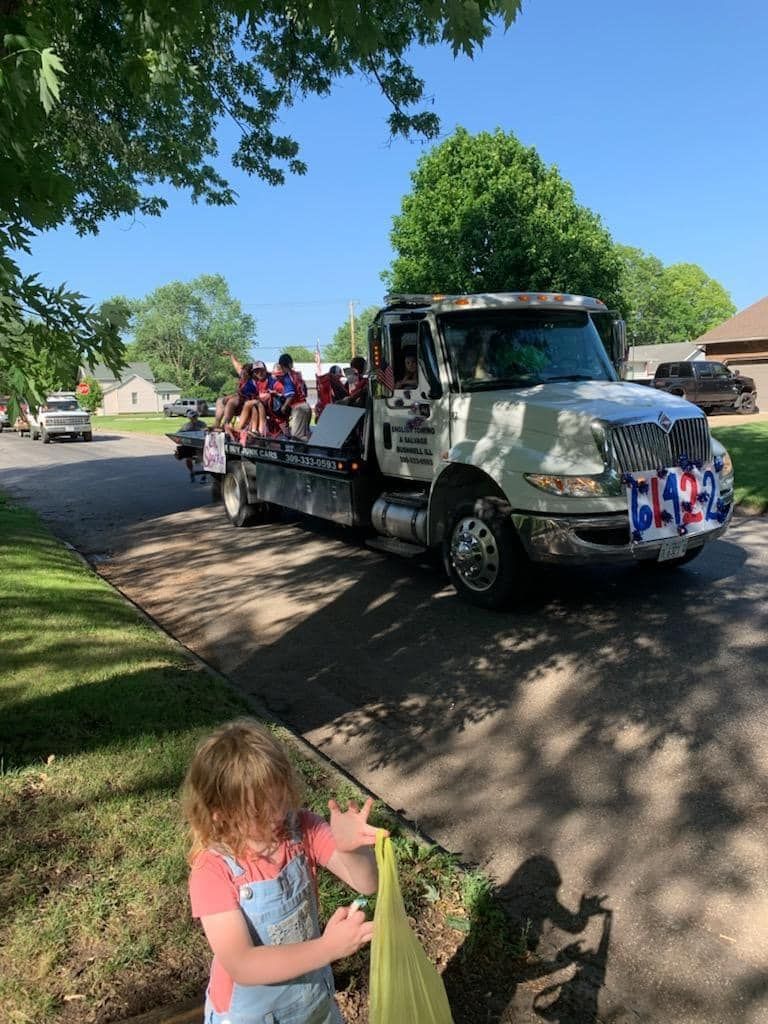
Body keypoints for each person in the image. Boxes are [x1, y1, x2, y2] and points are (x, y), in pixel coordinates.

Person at [184, 719, 384, 1024]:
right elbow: (243, 964)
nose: (277, 816)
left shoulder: (302, 828)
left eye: (280, 800)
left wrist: (349, 848)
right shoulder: (212, 872)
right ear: (221, 815)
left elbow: (367, 883)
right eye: (259, 812)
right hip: (251, 1017)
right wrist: (328, 948)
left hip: (312, 1004)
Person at [211, 352, 256, 430]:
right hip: (239, 400)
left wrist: (231, 396)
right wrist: (231, 355)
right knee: (220, 400)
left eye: (244, 374)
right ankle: (217, 424)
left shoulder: (253, 382)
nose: (242, 375)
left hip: (246, 402)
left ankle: (225, 424)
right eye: (242, 373)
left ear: (250, 374)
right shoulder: (242, 375)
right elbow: (237, 365)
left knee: (232, 401)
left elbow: (244, 396)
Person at [274, 353, 311, 440]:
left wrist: (284, 407)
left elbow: (290, 394)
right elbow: (305, 391)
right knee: (305, 434)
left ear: (281, 365)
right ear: (291, 363)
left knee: (297, 438)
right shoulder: (297, 375)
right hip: (306, 406)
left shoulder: (287, 377)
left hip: (298, 408)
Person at [175, 408, 207, 482]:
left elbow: (206, 432)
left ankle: (204, 475)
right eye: (192, 417)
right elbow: (179, 434)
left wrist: (204, 430)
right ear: (189, 418)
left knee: (202, 458)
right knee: (188, 458)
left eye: (195, 416)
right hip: (189, 445)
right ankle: (192, 472)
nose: (194, 418)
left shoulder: (202, 424)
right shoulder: (186, 426)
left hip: (200, 444)